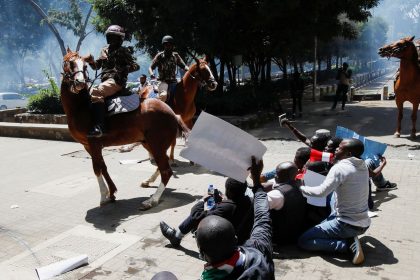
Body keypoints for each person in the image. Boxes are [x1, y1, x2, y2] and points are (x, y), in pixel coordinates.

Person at [197, 156, 274, 280]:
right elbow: (262, 215)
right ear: (235, 240)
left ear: (202, 254)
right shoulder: (259, 249)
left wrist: (203, 202)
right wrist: (257, 182)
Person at [298, 138, 371, 265]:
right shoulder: (362, 164)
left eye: (340, 148)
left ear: (348, 154)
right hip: (364, 222)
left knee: (304, 241)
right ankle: (349, 236)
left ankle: (346, 245)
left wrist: (302, 188)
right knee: (333, 195)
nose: (336, 148)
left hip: (345, 224)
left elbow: (321, 192)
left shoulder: (339, 168)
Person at [160, 178, 253, 247]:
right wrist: (225, 200)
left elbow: (196, 215)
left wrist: (202, 200)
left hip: (225, 244)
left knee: (199, 214)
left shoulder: (226, 208)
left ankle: (176, 237)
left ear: (229, 191)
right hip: (242, 236)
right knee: (213, 192)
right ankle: (182, 233)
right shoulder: (250, 201)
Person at [85, 25, 140, 137]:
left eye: (114, 37)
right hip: (105, 82)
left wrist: (124, 69)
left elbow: (136, 66)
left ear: (120, 39)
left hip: (116, 81)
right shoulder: (104, 50)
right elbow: (96, 67)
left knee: (96, 91)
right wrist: (91, 62)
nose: (111, 39)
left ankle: (100, 127)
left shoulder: (124, 51)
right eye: (110, 36)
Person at [265, 161, 307, 245]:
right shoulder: (302, 186)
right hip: (295, 232)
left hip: (278, 238)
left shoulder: (277, 194)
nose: (275, 176)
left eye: (277, 173)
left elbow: (257, 206)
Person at [148, 35, 189, 102]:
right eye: (166, 45)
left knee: (184, 94)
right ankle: (160, 111)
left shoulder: (176, 55)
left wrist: (189, 70)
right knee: (164, 95)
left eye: (170, 44)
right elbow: (150, 67)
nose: (168, 46)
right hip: (162, 81)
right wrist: (151, 74)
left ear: (172, 46)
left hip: (174, 82)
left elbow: (184, 66)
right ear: (164, 45)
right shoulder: (159, 56)